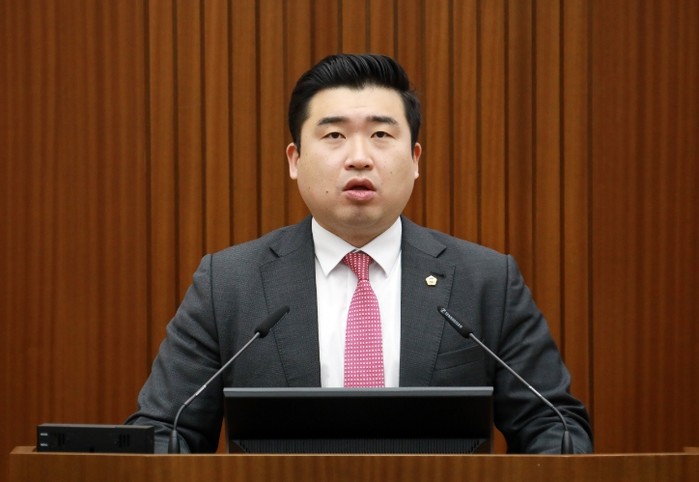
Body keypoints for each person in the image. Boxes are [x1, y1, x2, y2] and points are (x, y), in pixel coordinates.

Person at [126, 53, 593, 454]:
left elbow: (554, 426)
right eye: (334, 136)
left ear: (415, 160)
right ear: (294, 160)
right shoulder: (228, 284)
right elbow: (166, 430)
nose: (359, 157)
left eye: (381, 135)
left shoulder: (486, 280)